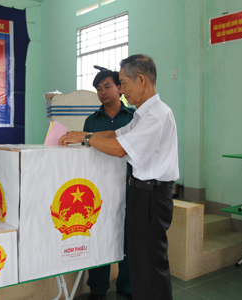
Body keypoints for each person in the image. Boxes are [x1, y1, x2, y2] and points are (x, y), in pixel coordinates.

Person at [59, 54, 178, 300]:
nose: (121, 90)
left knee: (150, 264)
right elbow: (116, 135)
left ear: (142, 80)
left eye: (123, 83)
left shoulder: (157, 114)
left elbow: (121, 148)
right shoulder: (142, 114)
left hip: (152, 196)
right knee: (139, 263)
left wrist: (87, 139)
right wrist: (84, 132)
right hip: (141, 192)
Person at [84, 69, 134, 300]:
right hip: (99, 189)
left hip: (130, 186)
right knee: (99, 236)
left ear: (119, 87)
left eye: (106, 86)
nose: (102, 92)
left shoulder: (134, 117)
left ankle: (126, 285)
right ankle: (97, 288)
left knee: (128, 238)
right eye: (98, 88)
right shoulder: (91, 120)